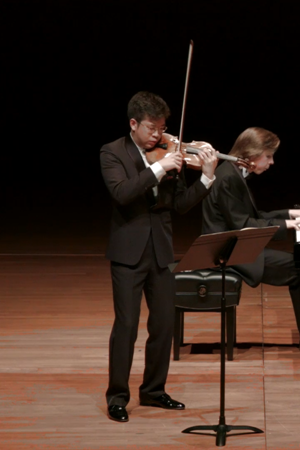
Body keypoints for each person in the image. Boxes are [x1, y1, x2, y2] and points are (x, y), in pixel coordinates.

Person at [100, 91, 218, 422]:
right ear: (133, 124)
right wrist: (158, 168)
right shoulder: (112, 152)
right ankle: (117, 396)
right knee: (126, 326)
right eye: (151, 128)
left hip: (161, 250)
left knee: (164, 323)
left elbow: (179, 204)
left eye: (162, 128)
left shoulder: (170, 152)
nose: (158, 135)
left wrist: (207, 176)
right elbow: (122, 193)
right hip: (128, 253)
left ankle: (153, 390)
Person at [201, 127, 300, 358]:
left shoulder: (234, 173)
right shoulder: (228, 178)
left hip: (237, 245)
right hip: (228, 252)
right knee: (298, 267)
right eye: (268, 156)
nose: (272, 162)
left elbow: (252, 217)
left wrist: (289, 214)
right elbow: (244, 225)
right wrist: (286, 225)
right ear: (252, 154)